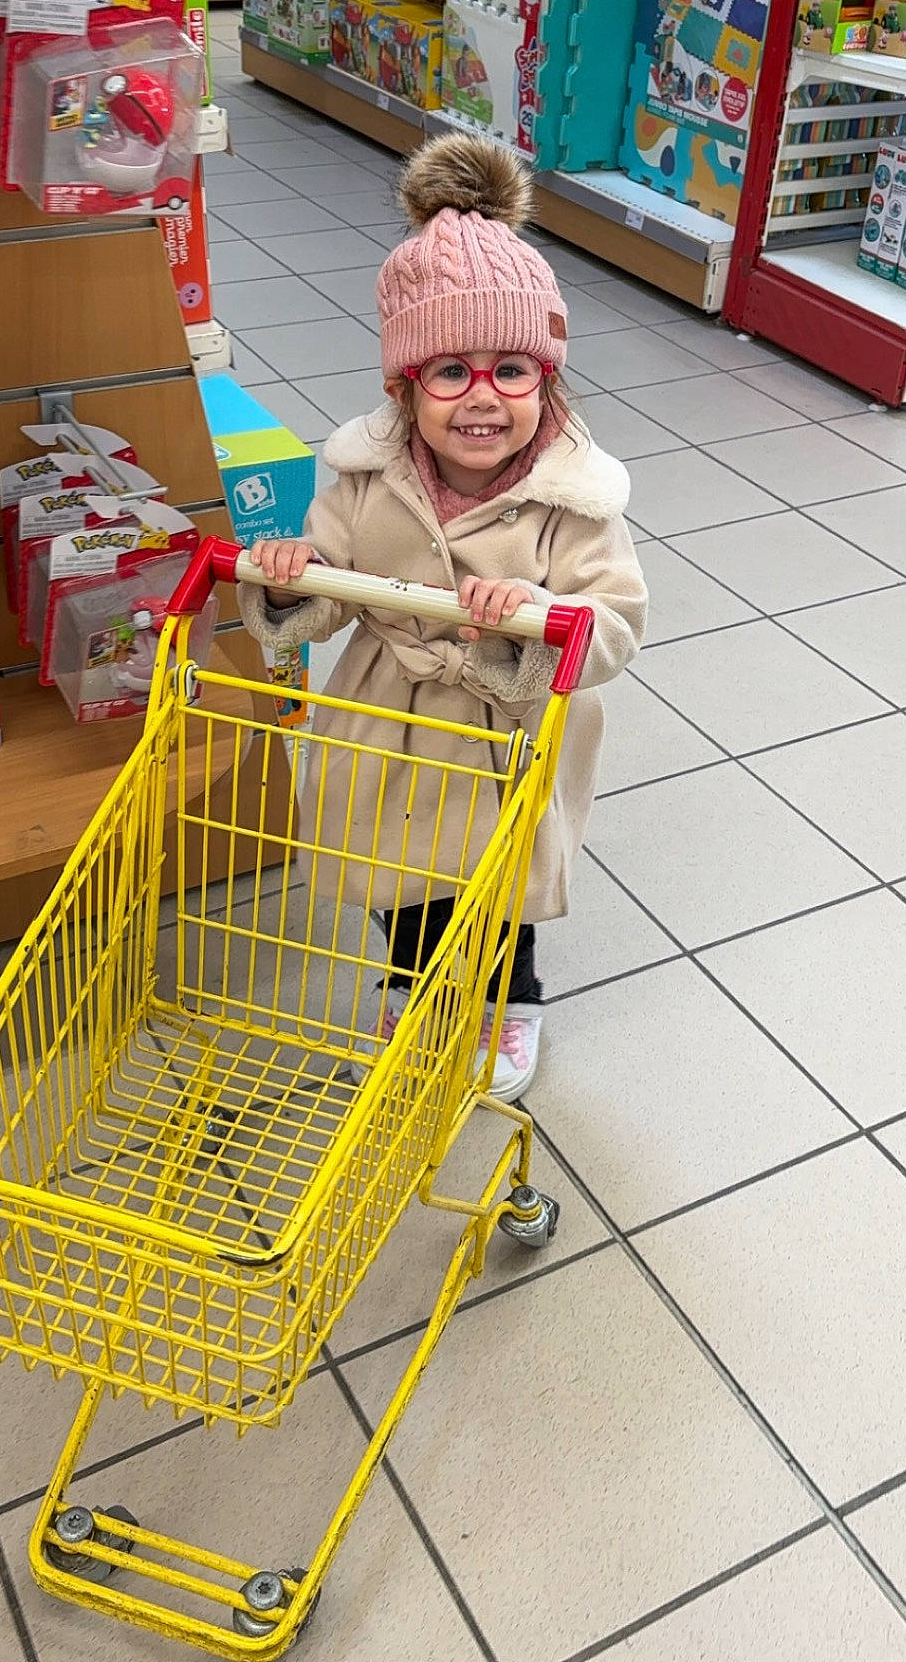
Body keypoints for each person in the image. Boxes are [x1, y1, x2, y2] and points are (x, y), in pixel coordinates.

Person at [240, 133, 648, 1100]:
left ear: (547, 380)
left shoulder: (574, 498)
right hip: (391, 709)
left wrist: (538, 615)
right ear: (403, 386)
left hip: (510, 729)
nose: (483, 399)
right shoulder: (364, 477)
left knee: (500, 887)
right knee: (398, 866)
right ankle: (412, 983)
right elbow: (321, 595)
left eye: (512, 370)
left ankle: (510, 1000)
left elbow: (617, 619)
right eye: (450, 372)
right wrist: (296, 577)